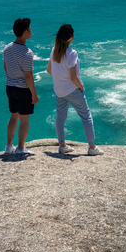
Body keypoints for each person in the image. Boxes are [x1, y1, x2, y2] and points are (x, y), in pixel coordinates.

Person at [47, 24, 103, 156]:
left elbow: (49, 70)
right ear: (71, 37)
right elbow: (73, 77)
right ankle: (92, 147)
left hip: (59, 90)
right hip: (72, 90)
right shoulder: (72, 53)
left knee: (60, 118)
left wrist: (60, 80)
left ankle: (62, 145)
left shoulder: (54, 50)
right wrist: (81, 86)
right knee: (86, 117)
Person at [3, 18, 39, 155]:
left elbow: (6, 67)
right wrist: (34, 94)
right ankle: (21, 148)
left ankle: (8, 146)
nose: (31, 31)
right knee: (24, 119)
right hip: (23, 89)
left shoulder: (7, 48)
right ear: (25, 32)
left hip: (10, 87)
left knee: (13, 116)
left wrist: (12, 79)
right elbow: (28, 76)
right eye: (29, 29)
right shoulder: (27, 52)